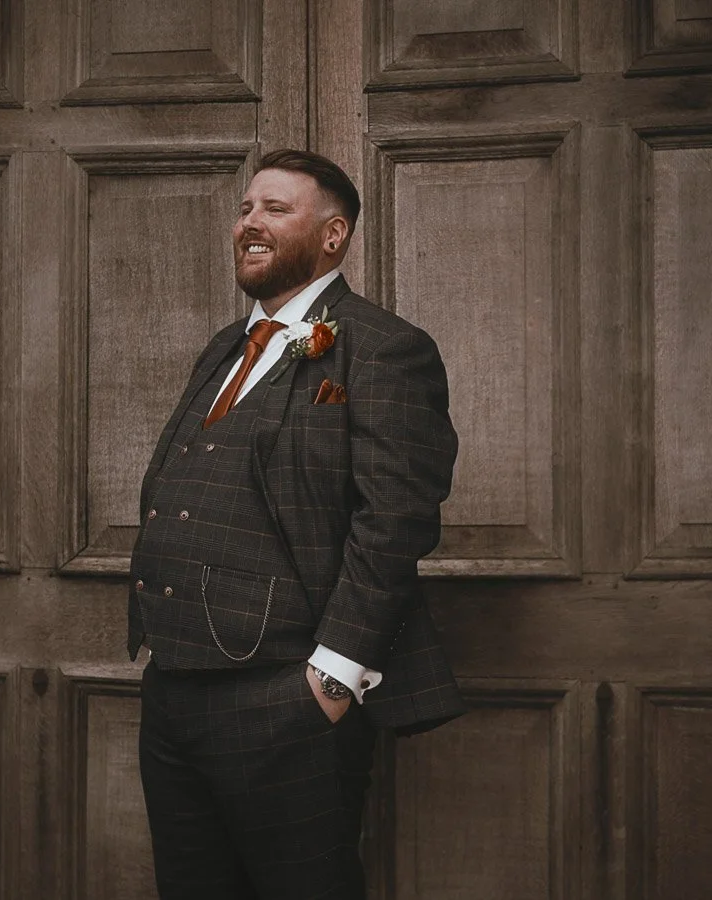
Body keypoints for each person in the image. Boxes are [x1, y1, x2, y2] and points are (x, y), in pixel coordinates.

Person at [127, 148, 464, 900]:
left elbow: (396, 521)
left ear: (333, 235)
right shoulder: (223, 347)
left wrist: (331, 679)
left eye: (276, 210)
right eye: (247, 208)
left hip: (286, 701)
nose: (250, 223)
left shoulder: (384, 348)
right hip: (174, 694)